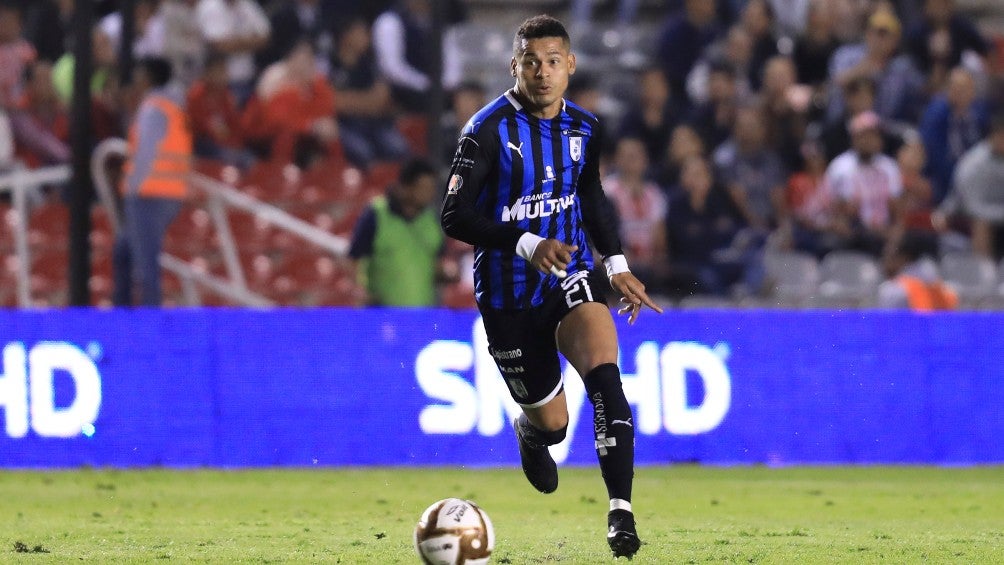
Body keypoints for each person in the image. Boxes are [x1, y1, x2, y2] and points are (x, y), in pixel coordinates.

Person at [440, 15, 661, 559]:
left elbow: (591, 197)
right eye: (531, 62)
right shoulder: (485, 131)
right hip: (508, 294)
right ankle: (532, 432)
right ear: (514, 66)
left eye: (553, 62)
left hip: (569, 274)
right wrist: (525, 243)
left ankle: (621, 513)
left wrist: (615, 264)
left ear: (571, 66)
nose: (542, 72)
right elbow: (453, 215)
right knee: (555, 425)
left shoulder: (586, 128)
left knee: (605, 377)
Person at [113, 58, 192, 306]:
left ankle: (149, 323)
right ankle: (122, 312)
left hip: (148, 193)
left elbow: (145, 152)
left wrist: (132, 186)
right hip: (171, 192)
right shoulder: (174, 106)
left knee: (145, 267)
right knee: (123, 252)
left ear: (147, 78)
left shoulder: (153, 107)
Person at [348, 158, 450, 306]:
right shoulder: (376, 215)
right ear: (406, 187)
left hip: (423, 313)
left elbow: (438, 262)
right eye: (424, 188)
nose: (430, 194)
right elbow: (353, 259)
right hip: (382, 313)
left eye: (432, 188)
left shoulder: (432, 219)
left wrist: (448, 273)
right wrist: (359, 289)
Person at [877, 231, 957, 310]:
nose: (885, 260)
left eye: (889, 255)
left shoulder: (893, 290)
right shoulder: (932, 276)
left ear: (904, 257)